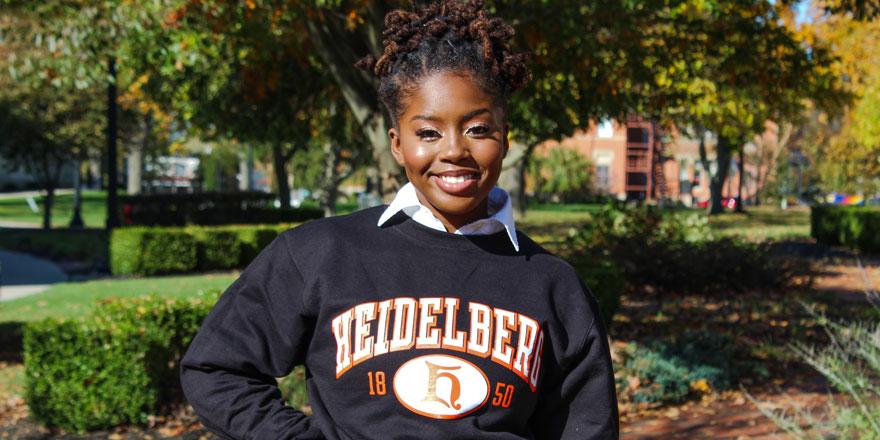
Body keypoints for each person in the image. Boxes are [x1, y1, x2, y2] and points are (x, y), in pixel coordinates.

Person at [179, 1, 619, 438]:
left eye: (478, 129)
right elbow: (216, 367)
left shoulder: (554, 287)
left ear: (505, 137)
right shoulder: (320, 254)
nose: (453, 151)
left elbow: (587, 429)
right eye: (428, 132)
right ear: (397, 143)